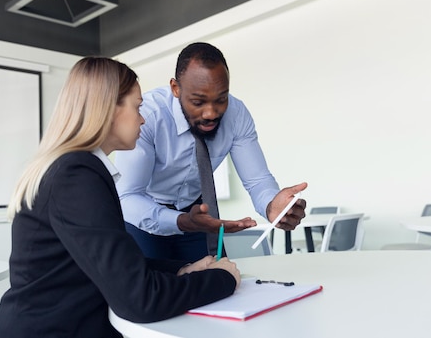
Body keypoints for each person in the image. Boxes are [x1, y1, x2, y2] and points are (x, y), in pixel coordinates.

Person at [0, 57, 240, 338]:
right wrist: (223, 279)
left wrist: (185, 269)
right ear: (108, 109)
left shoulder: (69, 167)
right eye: (137, 107)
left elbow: (114, 265)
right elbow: (140, 300)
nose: (143, 117)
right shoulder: (77, 175)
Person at [115, 42, 307, 261]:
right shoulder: (148, 115)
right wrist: (179, 221)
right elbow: (128, 195)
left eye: (221, 99)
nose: (210, 113)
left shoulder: (237, 115)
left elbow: (257, 180)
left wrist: (272, 205)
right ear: (175, 89)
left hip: (196, 215)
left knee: (220, 280)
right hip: (142, 216)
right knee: (155, 287)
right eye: (198, 102)